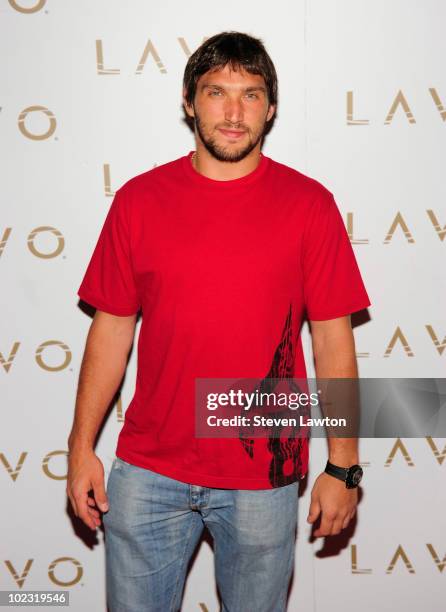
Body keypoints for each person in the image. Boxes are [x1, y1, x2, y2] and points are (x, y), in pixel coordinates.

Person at [67, 31, 371, 612]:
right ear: (189, 100)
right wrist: (81, 448)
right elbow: (110, 330)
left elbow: (334, 341)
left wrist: (344, 464)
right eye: (217, 93)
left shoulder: (310, 205)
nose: (233, 113)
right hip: (147, 470)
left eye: (251, 95)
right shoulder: (138, 200)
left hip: (263, 476)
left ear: (271, 108)